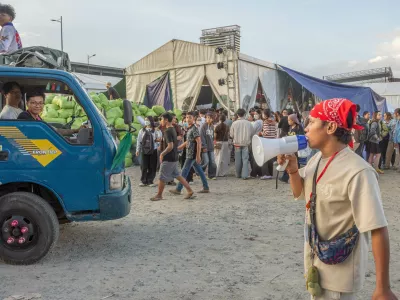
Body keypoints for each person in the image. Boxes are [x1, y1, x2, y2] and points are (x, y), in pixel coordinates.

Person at [278, 98, 396, 300]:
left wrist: (382, 288)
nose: (306, 128)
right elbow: (300, 193)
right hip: (316, 264)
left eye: (312, 122)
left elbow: (377, 228)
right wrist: (293, 170)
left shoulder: (358, 171)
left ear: (331, 126)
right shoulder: (317, 159)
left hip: (340, 274)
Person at [150, 112, 194, 201]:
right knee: (178, 175)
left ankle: (159, 195)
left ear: (166, 120)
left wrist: (162, 154)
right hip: (174, 157)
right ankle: (189, 190)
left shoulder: (167, 131)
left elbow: (170, 146)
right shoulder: (172, 129)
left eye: (162, 119)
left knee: (162, 177)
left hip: (168, 158)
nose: (160, 121)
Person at [170, 112, 210, 196]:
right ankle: (206, 187)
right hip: (190, 153)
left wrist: (198, 155)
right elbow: (188, 140)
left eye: (190, 117)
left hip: (192, 154)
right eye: (187, 117)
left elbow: (199, 142)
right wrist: (180, 147)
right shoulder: (189, 128)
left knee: (184, 171)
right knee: (199, 171)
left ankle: (178, 189)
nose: (188, 119)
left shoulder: (194, 129)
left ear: (194, 119)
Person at [17, 89, 83, 136]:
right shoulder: (24, 117)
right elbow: (43, 132)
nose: (37, 106)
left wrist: (75, 130)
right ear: (27, 104)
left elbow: (54, 130)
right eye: (34, 103)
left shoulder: (37, 118)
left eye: (40, 103)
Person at [136, 116, 162, 187]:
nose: (146, 121)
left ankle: (150, 181)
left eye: (147, 120)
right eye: (145, 120)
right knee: (144, 166)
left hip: (153, 150)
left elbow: (160, 139)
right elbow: (139, 141)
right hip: (144, 150)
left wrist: (158, 135)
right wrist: (137, 150)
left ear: (151, 121)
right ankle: (143, 181)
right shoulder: (142, 131)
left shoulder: (156, 130)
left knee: (152, 166)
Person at [230, 108, 254, 180]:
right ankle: (245, 175)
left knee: (237, 159)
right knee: (245, 159)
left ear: (237, 115)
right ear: (244, 114)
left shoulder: (234, 123)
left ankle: (238, 174)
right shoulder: (248, 123)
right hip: (246, 143)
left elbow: (231, 135)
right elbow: (252, 133)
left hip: (237, 143)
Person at [260, 109, 277, 180]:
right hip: (273, 141)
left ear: (265, 115)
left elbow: (266, 132)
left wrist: (261, 133)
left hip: (266, 141)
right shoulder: (274, 121)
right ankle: (270, 173)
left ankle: (265, 174)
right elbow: (275, 132)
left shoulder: (265, 122)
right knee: (270, 158)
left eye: (263, 114)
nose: (262, 115)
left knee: (264, 158)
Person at [200, 113, 217, 179]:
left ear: (212, 119)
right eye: (207, 117)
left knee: (212, 161)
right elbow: (202, 137)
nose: (209, 119)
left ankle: (212, 175)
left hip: (211, 147)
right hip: (205, 147)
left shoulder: (212, 126)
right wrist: (204, 146)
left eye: (210, 118)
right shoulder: (203, 127)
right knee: (206, 161)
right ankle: (198, 171)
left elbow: (212, 137)